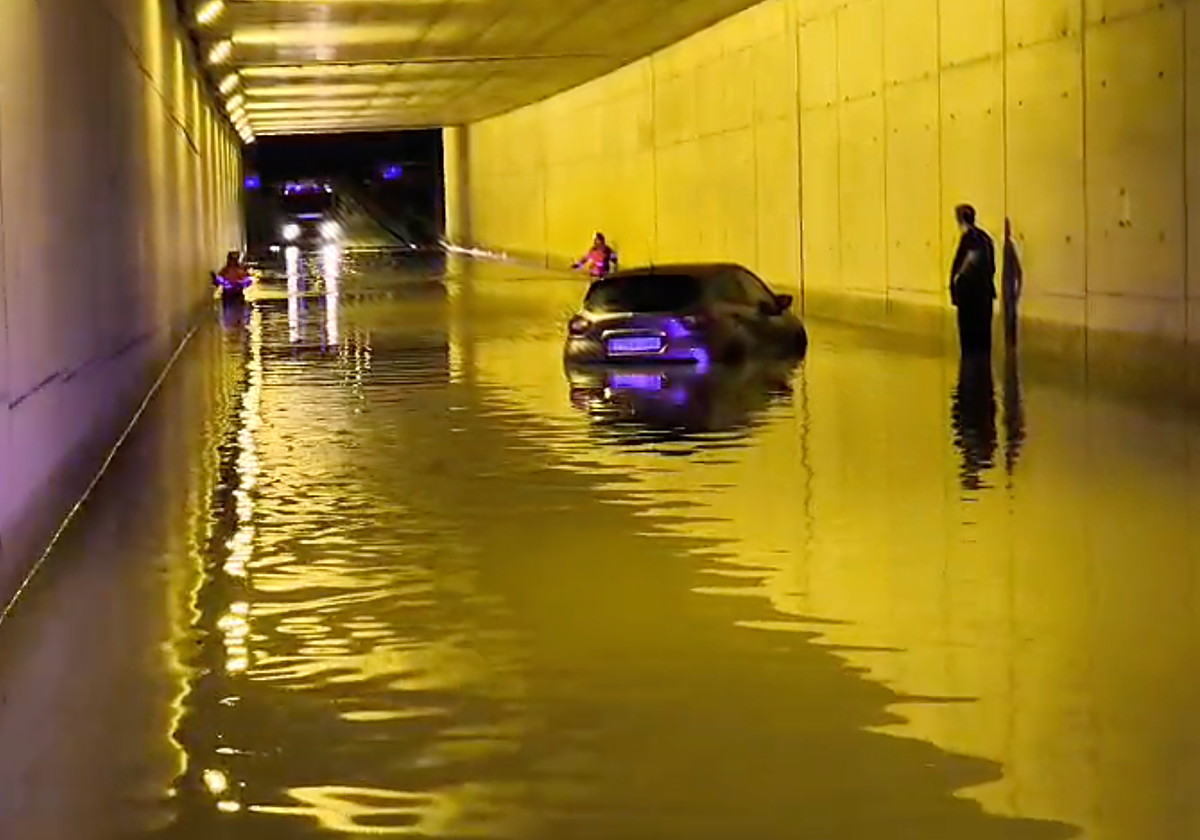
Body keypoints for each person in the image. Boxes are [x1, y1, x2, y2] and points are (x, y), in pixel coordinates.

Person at [949, 205, 996, 358]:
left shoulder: (968, 240)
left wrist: (955, 291)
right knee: (983, 342)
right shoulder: (986, 239)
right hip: (985, 296)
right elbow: (992, 267)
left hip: (969, 299)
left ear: (960, 220)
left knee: (969, 344)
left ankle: (970, 379)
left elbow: (960, 272)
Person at [1001, 218, 1023, 346]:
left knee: (1009, 314)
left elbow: (1016, 268)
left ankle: (1010, 341)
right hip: (1007, 285)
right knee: (1009, 314)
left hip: (1008, 286)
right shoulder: (1007, 246)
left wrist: (1016, 287)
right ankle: (1010, 341)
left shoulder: (1008, 247)